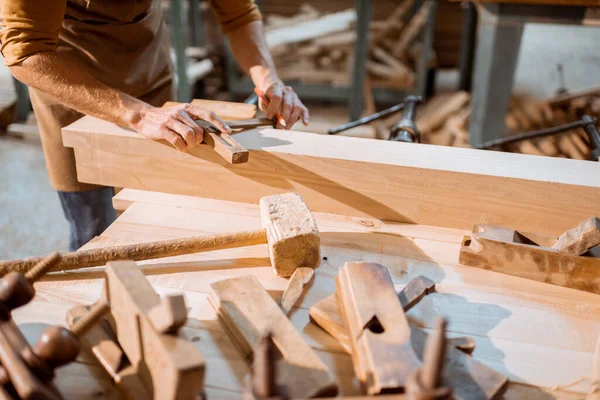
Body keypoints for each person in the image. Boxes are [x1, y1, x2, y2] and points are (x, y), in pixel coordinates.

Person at [0, 0, 309, 251]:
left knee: (160, 216)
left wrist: (268, 80)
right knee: (95, 230)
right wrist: (137, 115)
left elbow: (238, 13)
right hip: (72, 92)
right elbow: (25, 52)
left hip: (150, 73)